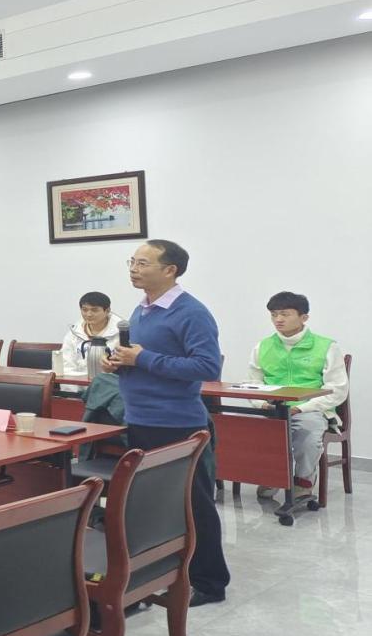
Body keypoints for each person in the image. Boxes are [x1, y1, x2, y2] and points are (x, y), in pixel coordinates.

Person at [102, 239, 229, 607]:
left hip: (177, 424)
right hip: (140, 419)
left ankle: (210, 583)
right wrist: (120, 363)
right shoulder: (142, 309)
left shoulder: (191, 312)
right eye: (132, 261)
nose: (133, 269)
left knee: (193, 504)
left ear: (170, 269)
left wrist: (143, 359)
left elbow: (207, 367)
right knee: (151, 504)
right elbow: (145, 359)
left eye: (143, 263)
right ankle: (156, 575)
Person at [246, 291, 349, 502]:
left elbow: (337, 389)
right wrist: (261, 404)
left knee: (307, 432)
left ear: (304, 317)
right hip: (272, 409)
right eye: (274, 314)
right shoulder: (262, 346)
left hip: (310, 409)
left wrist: (301, 408)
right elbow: (253, 383)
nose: (278, 319)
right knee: (240, 426)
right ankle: (271, 475)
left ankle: (303, 481)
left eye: (285, 314)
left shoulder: (327, 347)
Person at [60, 291, 122, 376]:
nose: (88, 314)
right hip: (79, 381)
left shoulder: (121, 333)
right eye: (84, 310)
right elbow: (66, 365)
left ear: (107, 310)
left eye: (94, 310)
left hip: (110, 381)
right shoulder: (74, 334)